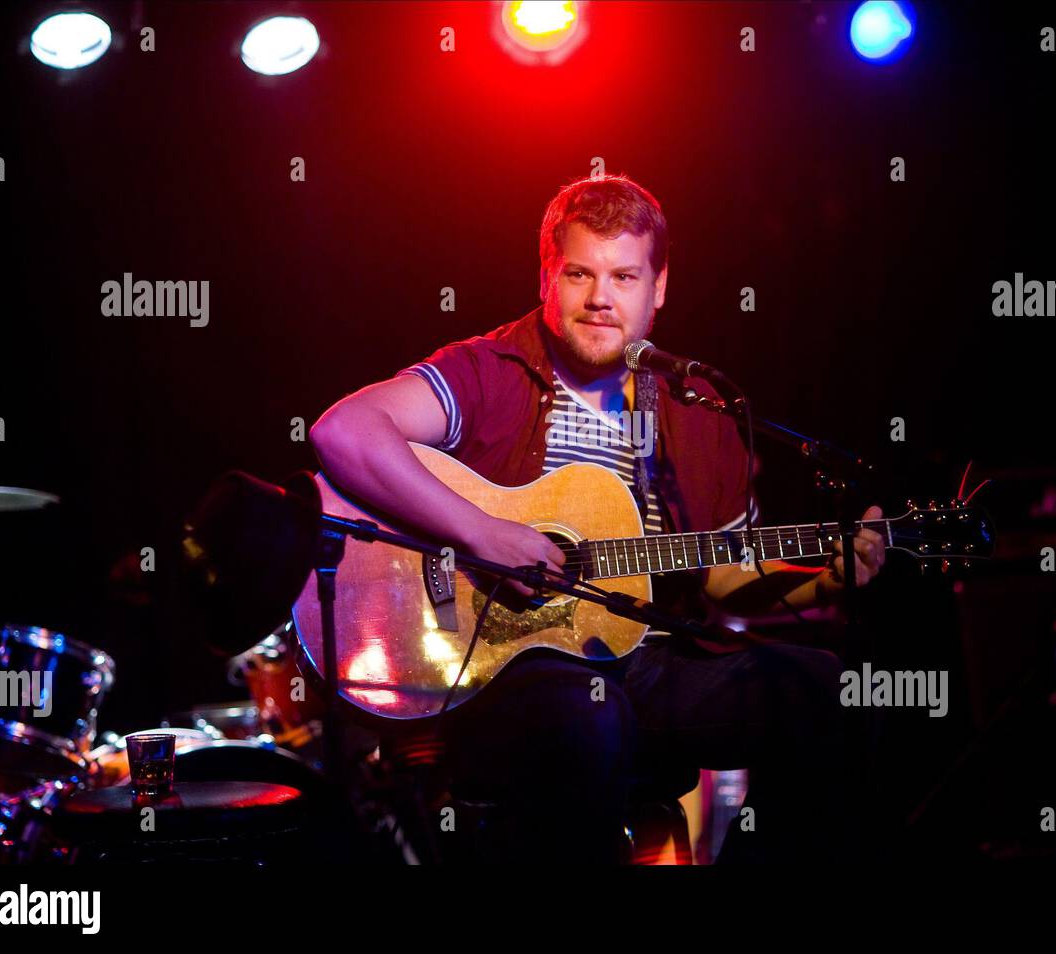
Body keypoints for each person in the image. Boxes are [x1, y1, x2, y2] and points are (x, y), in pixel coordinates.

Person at [310, 174, 886, 863]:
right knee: (590, 715)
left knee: (824, 688)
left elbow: (723, 580)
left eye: (624, 276)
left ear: (659, 288)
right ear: (546, 277)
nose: (600, 299)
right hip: (504, 671)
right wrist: (482, 530)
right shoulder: (492, 370)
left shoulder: (697, 409)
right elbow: (343, 432)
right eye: (579, 273)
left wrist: (827, 576)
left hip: (642, 661)